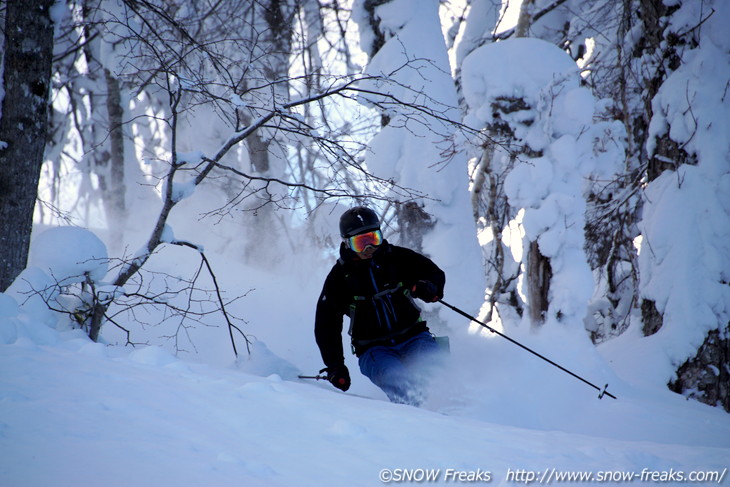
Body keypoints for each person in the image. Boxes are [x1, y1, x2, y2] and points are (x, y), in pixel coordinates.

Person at [314, 206, 446, 406]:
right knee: (403, 384)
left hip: (414, 337)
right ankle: (419, 428)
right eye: (360, 243)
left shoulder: (398, 258)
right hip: (374, 350)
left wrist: (428, 288)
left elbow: (434, 274)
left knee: (439, 376)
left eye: (373, 239)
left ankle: (458, 419)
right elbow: (326, 325)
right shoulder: (339, 278)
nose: (369, 249)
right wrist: (335, 366)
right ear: (347, 243)